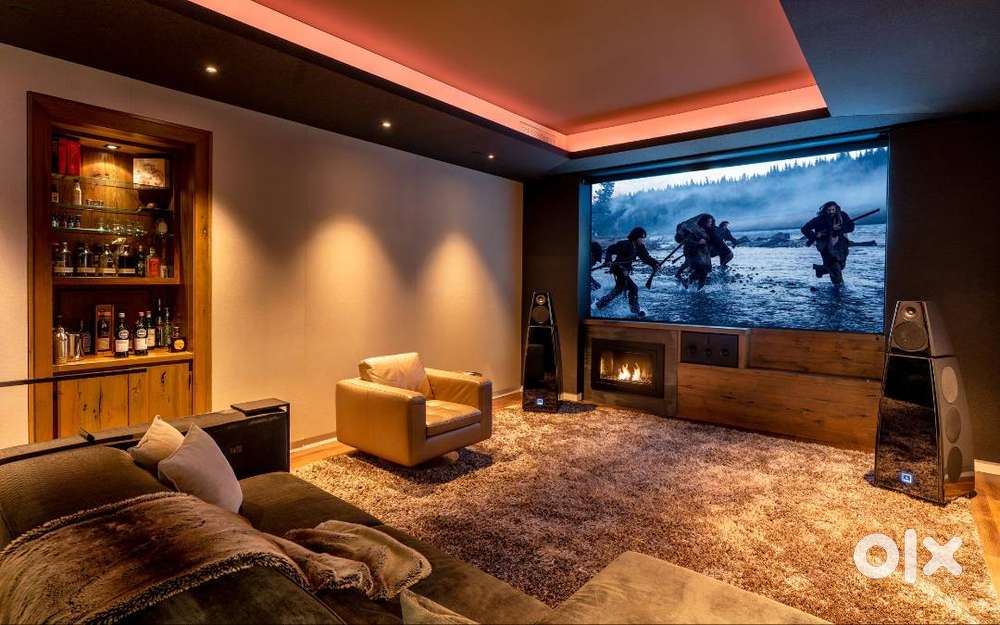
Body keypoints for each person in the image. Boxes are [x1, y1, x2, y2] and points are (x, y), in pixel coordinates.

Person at [594, 227, 658, 317]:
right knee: (633, 288)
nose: (643, 240)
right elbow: (610, 249)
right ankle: (635, 311)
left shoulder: (640, 247)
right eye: (641, 237)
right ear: (636, 237)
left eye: (643, 238)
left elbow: (646, 258)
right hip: (618, 269)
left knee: (618, 290)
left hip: (626, 270)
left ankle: (600, 304)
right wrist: (608, 260)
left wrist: (655, 263)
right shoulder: (624, 244)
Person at [801, 201, 855, 285]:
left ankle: (820, 270)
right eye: (829, 210)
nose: (831, 212)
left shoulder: (842, 215)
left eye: (833, 209)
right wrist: (815, 235)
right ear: (825, 210)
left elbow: (851, 227)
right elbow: (804, 229)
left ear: (836, 209)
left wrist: (840, 229)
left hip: (841, 245)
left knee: (841, 266)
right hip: (825, 247)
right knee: (835, 268)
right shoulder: (819, 219)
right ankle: (839, 290)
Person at [674, 214, 714, 289]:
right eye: (709, 222)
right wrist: (698, 242)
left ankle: (694, 288)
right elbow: (684, 241)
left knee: (703, 273)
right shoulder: (691, 230)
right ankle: (687, 284)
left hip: (703, 255)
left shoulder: (705, 230)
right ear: (704, 222)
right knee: (701, 271)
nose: (710, 224)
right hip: (694, 253)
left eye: (711, 222)